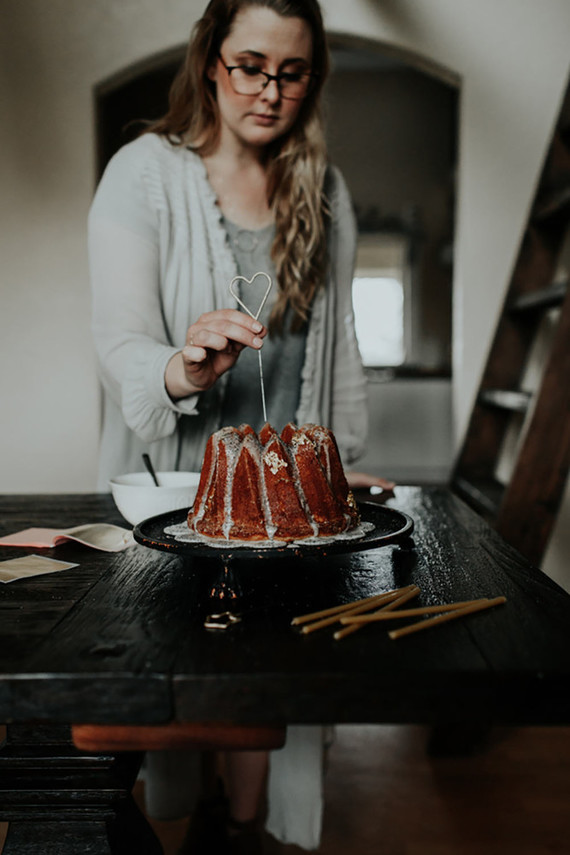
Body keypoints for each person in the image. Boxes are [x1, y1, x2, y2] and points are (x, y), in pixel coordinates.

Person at [89, 0, 394, 851]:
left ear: (314, 76)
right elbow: (119, 342)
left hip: (288, 495)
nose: (268, 90)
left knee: (274, 677)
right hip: (177, 491)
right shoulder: (142, 174)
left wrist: (334, 469)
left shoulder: (323, 189)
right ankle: (195, 825)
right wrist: (185, 365)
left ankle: (242, 831)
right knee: (195, 682)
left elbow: (336, 350)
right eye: (249, 65)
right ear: (210, 61)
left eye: (292, 72)